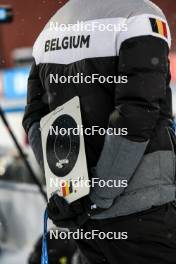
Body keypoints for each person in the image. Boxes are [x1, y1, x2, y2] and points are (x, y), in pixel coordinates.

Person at [22, 0, 176, 263]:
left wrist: (67, 193)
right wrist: (100, 194)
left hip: (84, 221)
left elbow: (34, 119)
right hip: (143, 211)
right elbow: (136, 115)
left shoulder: (50, 29)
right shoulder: (139, 15)